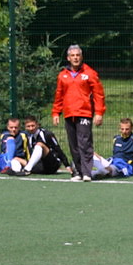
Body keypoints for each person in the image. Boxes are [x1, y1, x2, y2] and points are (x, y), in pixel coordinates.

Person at [52, 45, 105, 182]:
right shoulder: (62, 75)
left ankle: (87, 172)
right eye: (73, 55)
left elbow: (99, 94)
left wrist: (99, 112)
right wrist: (56, 112)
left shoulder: (90, 73)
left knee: (84, 143)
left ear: (81, 57)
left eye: (78, 55)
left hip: (84, 113)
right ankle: (78, 172)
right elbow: (59, 95)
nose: (75, 58)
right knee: (73, 144)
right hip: (69, 113)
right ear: (68, 58)